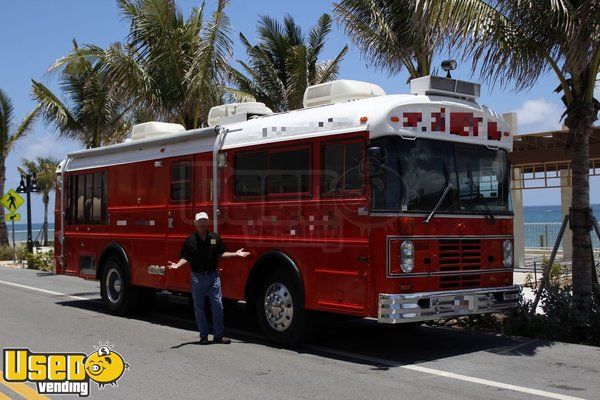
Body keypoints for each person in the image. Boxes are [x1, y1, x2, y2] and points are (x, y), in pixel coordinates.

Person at [167, 212, 250, 344]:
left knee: (218, 305)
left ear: (208, 222)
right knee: (199, 307)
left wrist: (236, 253)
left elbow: (222, 253)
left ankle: (218, 335)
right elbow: (185, 257)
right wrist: (178, 265)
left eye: (205, 221)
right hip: (197, 278)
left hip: (213, 276)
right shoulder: (190, 240)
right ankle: (204, 336)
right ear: (195, 223)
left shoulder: (214, 238)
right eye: (200, 221)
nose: (202, 224)